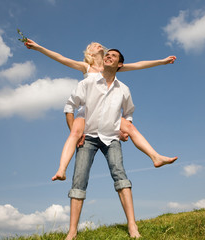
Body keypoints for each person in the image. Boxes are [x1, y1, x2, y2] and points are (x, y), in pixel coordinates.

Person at [25, 40, 178, 182]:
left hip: (108, 112)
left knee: (130, 127)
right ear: (89, 53)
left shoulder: (111, 66)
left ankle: (156, 157)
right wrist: (38, 47)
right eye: (93, 45)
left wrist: (162, 61)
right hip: (88, 110)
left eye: (99, 44)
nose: (98, 45)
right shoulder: (86, 67)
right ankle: (61, 169)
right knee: (75, 133)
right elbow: (60, 57)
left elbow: (139, 64)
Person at [64, 49, 140, 239]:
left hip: (110, 136)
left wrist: (124, 129)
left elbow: (128, 112)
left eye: (113, 56)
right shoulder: (88, 80)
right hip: (87, 135)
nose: (108, 56)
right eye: (107, 54)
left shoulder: (123, 88)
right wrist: (75, 131)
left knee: (120, 174)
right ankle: (72, 231)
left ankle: (133, 227)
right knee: (79, 180)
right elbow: (69, 105)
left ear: (119, 65)